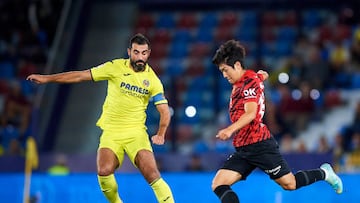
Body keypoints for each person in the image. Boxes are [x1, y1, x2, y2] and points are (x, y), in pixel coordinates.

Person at [27, 33, 174, 203]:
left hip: (136, 133)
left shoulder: (153, 80)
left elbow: (164, 111)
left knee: (152, 174)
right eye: (136, 52)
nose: (140, 57)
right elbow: (80, 75)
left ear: (148, 53)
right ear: (129, 52)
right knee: (104, 171)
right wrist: (47, 79)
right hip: (111, 132)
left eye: (143, 53)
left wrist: (161, 133)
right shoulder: (114, 67)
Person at [210, 39, 343, 203]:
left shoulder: (248, 83)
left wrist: (229, 129)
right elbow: (259, 76)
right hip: (244, 147)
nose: (224, 74)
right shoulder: (248, 79)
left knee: (290, 184)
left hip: (259, 145)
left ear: (237, 65)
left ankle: (325, 173)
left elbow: (251, 113)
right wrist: (262, 75)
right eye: (221, 71)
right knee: (219, 183)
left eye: (225, 69)